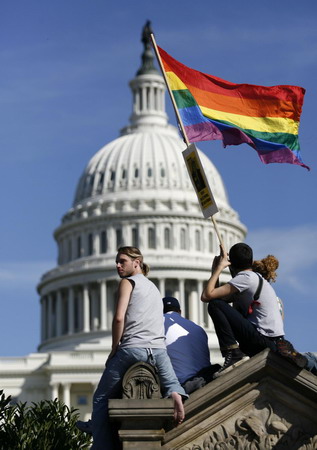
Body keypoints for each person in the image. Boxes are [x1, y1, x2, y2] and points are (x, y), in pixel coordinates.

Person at [84, 247, 188, 449]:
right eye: (117, 261)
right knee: (173, 385)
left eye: (122, 261)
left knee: (101, 399)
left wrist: (115, 347)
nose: (118, 265)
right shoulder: (154, 288)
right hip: (158, 351)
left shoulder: (127, 282)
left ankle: (101, 445)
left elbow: (119, 318)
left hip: (133, 348)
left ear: (137, 262)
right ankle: (175, 395)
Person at [200, 243, 305, 375]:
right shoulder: (256, 279)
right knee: (217, 303)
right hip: (274, 339)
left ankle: (232, 352)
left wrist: (218, 268)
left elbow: (207, 296)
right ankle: (291, 354)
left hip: (262, 339)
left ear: (231, 263)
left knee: (214, 305)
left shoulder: (245, 278)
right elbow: (215, 296)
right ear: (250, 260)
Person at [163, 297, 220, 394]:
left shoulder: (158, 325)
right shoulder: (199, 329)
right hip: (204, 379)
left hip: (183, 385)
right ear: (180, 311)